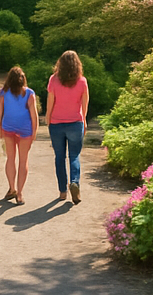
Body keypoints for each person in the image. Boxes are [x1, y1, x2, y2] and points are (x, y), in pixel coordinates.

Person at [45, 50, 89, 203]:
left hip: (56, 124)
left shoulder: (53, 79)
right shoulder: (82, 81)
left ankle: (63, 191)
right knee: (74, 156)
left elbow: (50, 101)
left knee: (59, 157)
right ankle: (75, 183)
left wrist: (47, 118)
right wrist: (84, 120)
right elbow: (85, 103)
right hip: (75, 123)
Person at [0, 65, 38, 205]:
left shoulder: (3, 92)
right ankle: (19, 194)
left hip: (8, 129)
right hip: (25, 130)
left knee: (10, 159)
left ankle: (12, 188)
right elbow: (34, 115)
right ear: (23, 79)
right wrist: (34, 132)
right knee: (23, 160)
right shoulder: (29, 93)